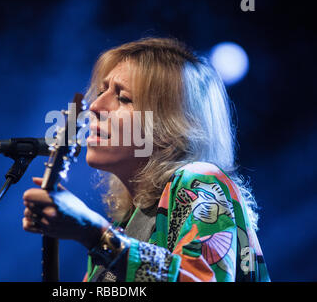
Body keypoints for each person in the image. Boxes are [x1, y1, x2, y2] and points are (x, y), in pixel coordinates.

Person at [22, 37, 270, 282]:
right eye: (101, 92)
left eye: (123, 98)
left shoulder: (200, 179)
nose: (95, 106)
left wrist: (96, 235)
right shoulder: (123, 226)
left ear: (169, 129)